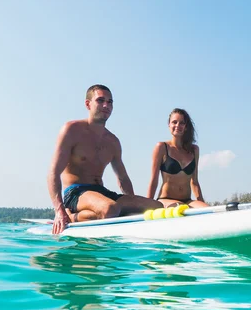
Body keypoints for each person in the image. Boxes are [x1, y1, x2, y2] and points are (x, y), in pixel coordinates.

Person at [47, 84, 163, 234]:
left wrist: (133, 207)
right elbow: (53, 172)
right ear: (88, 104)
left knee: (156, 206)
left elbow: (123, 178)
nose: (106, 105)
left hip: (101, 193)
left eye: (110, 102)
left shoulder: (113, 141)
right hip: (75, 192)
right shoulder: (72, 130)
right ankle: (71, 214)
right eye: (100, 100)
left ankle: (107, 213)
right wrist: (59, 210)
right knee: (110, 208)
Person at [147, 108, 208, 208]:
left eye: (181, 123)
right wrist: (147, 205)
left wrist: (202, 204)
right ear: (169, 125)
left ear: (186, 126)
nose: (177, 126)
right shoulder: (162, 147)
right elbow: (154, 180)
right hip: (166, 200)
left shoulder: (194, 150)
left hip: (187, 201)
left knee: (206, 208)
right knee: (180, 207)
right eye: (174, 122)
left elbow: (195, 182)